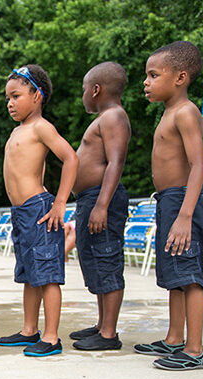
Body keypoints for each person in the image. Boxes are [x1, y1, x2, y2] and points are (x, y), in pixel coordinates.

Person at [135, 41, 203, 370]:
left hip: (184, 202)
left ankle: (195, 350)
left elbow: (198, 165)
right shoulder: (169, 112)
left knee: (190, 277)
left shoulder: (186, 111)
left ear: (180, 77)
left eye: (154, 75)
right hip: (170, 201)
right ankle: (174, 338)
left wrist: (184, 216)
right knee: (175, 274)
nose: (146, 82)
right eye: (146, 76)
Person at [0, 65, 78, 357]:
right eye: (8, 98)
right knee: (30, 274)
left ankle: (52, 337)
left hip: (40, 208)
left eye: (16, 96)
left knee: (47, 274)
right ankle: (30, 330)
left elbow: (70, 158)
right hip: (21, 212)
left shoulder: (41, 127)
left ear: (37, 96)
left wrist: (60, 203)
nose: (10, 103)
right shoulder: (19, 130)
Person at [68, 62, 131, 351]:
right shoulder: (104, 118)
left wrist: (102, 204)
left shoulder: (114, 116)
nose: (83, 95)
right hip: (89, 198)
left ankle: (109, 334)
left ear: (95, 90)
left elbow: (115, 162)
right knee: (93, 259)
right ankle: (101, 323)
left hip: (101, 197)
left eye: (84, 90)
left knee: (106, 258)